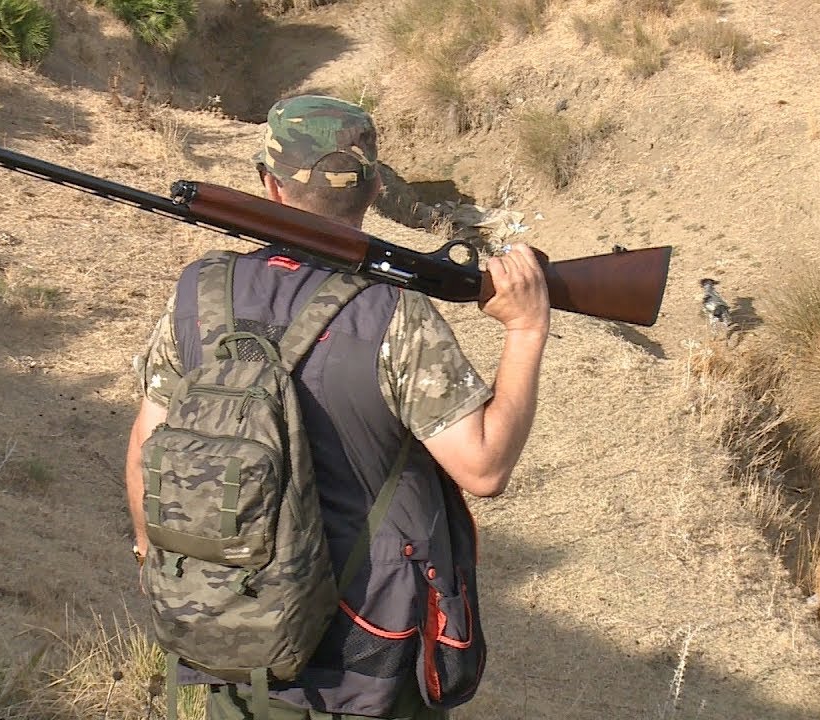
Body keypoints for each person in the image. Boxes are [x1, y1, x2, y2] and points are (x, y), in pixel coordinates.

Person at [123, 95, 550, 720]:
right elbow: (484, 468)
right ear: (373, 188)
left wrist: (158, 559)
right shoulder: (393, 314)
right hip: (366, 656)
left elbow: (148, 444)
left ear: (269, 182)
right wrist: (526, 329)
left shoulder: (199, 294)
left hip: (229, 634)